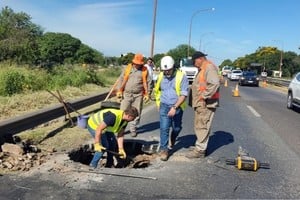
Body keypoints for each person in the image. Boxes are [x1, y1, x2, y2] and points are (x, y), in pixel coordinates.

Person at [154, 55, 189, 161]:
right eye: (164, 70)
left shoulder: (181, 76)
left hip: (177, 107)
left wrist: (174, 107)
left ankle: (173, 138)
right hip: (164, 105)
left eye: (168, 70)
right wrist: (158, 103)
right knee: (164, 128)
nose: (166, 73)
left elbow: (184, 94)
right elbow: (158, 90)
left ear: (173, 67)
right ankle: (164, 149)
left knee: (176, 128)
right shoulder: (161, 76)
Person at [186, 51, 220, 158]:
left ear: (200, 59)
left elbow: (214, 83)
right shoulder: (203, 68)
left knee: (202, 126)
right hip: (201, 103)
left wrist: (204, 96)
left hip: (205, 103)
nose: (194, 64)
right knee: (199, 125)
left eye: (194, 62)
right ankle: (200, 146)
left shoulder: (209, 68)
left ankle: (200, 150)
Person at [116, 53, 151, 137]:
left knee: (136, 113)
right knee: (122, 112)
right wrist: (119, 91)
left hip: (138, 95)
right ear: (133, 62)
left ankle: (133, 129)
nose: (137, 65)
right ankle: (120, 129)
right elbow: (121, 79)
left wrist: (148, 94)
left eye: (139, 64)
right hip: (126, 94)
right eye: (136, 63)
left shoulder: (144, 70)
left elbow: (149, 83)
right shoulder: (128, 68)